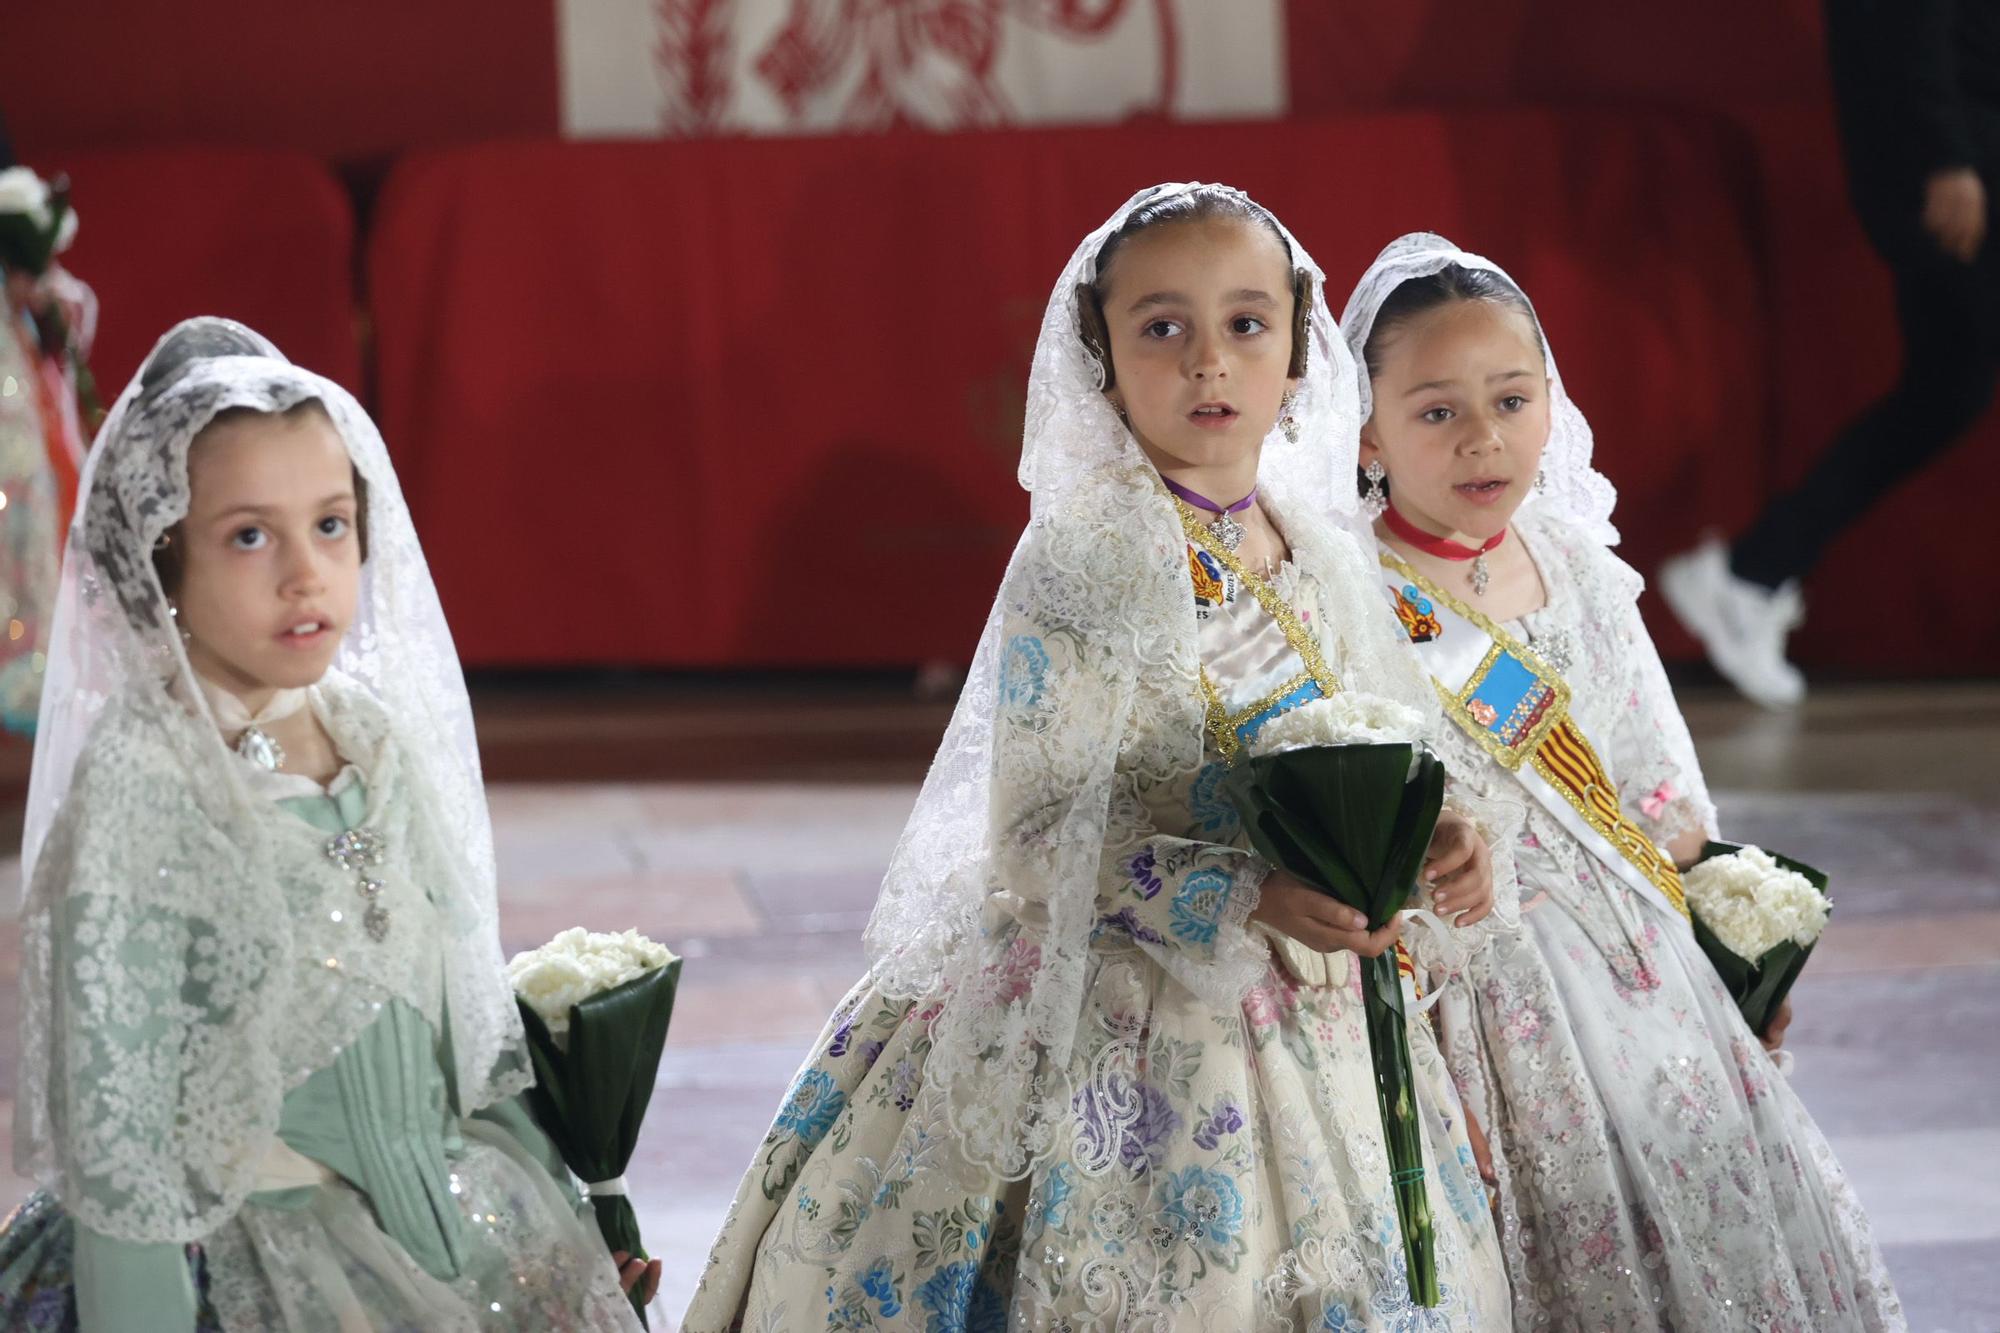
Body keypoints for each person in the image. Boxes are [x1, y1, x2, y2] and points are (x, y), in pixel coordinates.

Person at [684, 185, 1513, 1330]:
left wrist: (1441, 837)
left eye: (1244, 324)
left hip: (1319, 1001)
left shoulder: (1322, 548)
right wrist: (1245, 890)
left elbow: (1387, 739)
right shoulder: (1081, 560)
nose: (1208, 363)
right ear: (1103, 357)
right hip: (1124, 1015)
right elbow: (1031, 847)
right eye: (1162, 328)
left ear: (1298, 352)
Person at [0, 318, 656, 1330]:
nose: (304, 573)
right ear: (160, 558)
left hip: (468, 1225)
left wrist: (579, 1206)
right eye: (249, 534)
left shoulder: (376, 740)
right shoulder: (144, 784)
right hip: (248, 1258)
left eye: (331, 523)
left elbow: (459, 1046)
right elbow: (117, 1136)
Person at [1342, 232, 1907, 1330]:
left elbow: (1651, 785)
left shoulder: (1578, 565)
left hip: (1637, 966)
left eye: (1510, 400)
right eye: (1434, 411)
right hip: (1475, 982)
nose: (1480, 438)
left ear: (1552, 401)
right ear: (1364, 430)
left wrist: (1728, 940)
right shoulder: (1346, 584)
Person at [1660, 0, 2000, 707]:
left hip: (1962, 147)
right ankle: (1749, 572)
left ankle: (1753, 570)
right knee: (1950, 382)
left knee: (1949, 384)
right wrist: (1944, 156)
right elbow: (1906, 23)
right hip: (1960, 162)